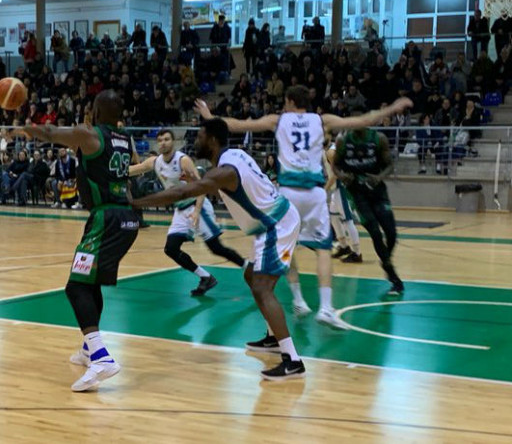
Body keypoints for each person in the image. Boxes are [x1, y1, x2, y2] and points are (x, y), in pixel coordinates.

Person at [195, 90, 411, 329]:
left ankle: (299, 300)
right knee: (323, 250)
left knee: (289, 247)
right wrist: (393, 108)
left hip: (288, 192)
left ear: (289, 101)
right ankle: (326, 308)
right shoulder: (322, 120)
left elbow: (238, 125)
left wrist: (208, 115)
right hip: (314, 193)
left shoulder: (278, 120)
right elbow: (364, 120)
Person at [133, 118, 305, 380]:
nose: (196, 140)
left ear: (212, 140)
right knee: (250, 276)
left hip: (276, 224)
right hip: (270, 222)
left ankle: (292, 360)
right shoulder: (235, 154)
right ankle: (273, 337)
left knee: (261, 286)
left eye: (200, 136)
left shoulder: (223, 172)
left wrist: (136, 202)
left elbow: (183, 192)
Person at [14, 90, 141, 392]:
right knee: (90, 282)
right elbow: (127, 168)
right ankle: (88, 349)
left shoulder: (90, 134)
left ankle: (101, 356)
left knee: (76, 286)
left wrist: (25, 127)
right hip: (126, 217)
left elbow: (50, 132)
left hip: (105, 218)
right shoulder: (126, 139)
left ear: (96, 111)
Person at [127, 129, 246, 296]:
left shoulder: (183, 160)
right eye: (160, 140)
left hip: (198, 205)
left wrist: (197, 211)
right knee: (171, 248)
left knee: (216, 248)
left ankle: (248, 267)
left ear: (173, 142)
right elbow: (132, 170)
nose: (163, 142)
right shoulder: (155, 161)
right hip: (181, 209)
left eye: (167, 139)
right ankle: (205, 277)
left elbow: (201, 185)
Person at [334, 127, 405, 295]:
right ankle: (393, 275)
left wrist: (379, 177)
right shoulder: (343, 141)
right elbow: (335, 165)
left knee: (391, 232)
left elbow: (389, 165)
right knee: (374, 232)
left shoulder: (378, 139)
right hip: (357, 194)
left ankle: (385, 259)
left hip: (378, 191)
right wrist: (342, 175)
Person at [326, 136, 362, 263]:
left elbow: (336, 174)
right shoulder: (328, 150)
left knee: (347, 220)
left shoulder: (331, 152)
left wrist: (325, 189)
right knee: (334, 217)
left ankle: (357, 253)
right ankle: (344, 246)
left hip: (342, 187)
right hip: (337, 189)